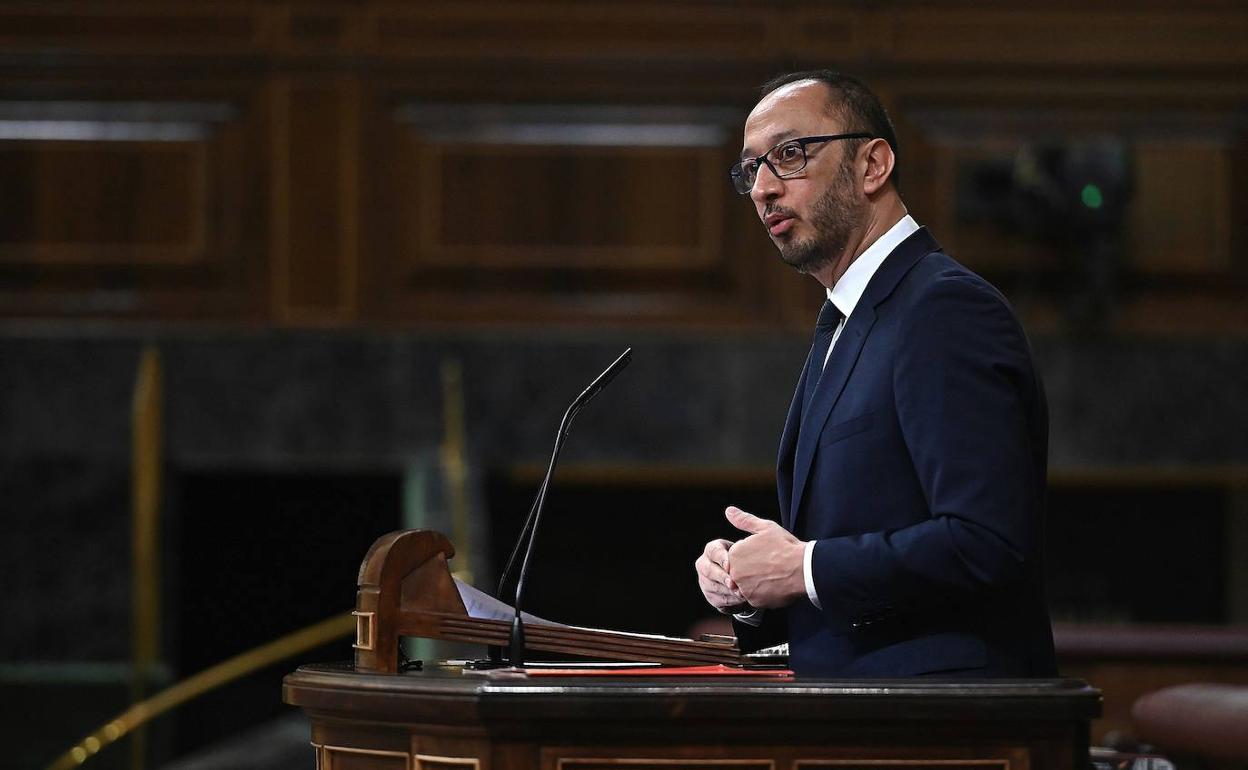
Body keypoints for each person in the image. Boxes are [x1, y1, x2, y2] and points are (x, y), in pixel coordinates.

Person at [695, 70, 1057, 677]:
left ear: (873, 165)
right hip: (862, 714)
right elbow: (855, 551)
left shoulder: (943, 308)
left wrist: (805, 567)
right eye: (750, 169)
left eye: (789, 155)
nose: (762, 189)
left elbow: (988, 542)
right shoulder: (848, 316)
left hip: (952, 726)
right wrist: (754, 584)